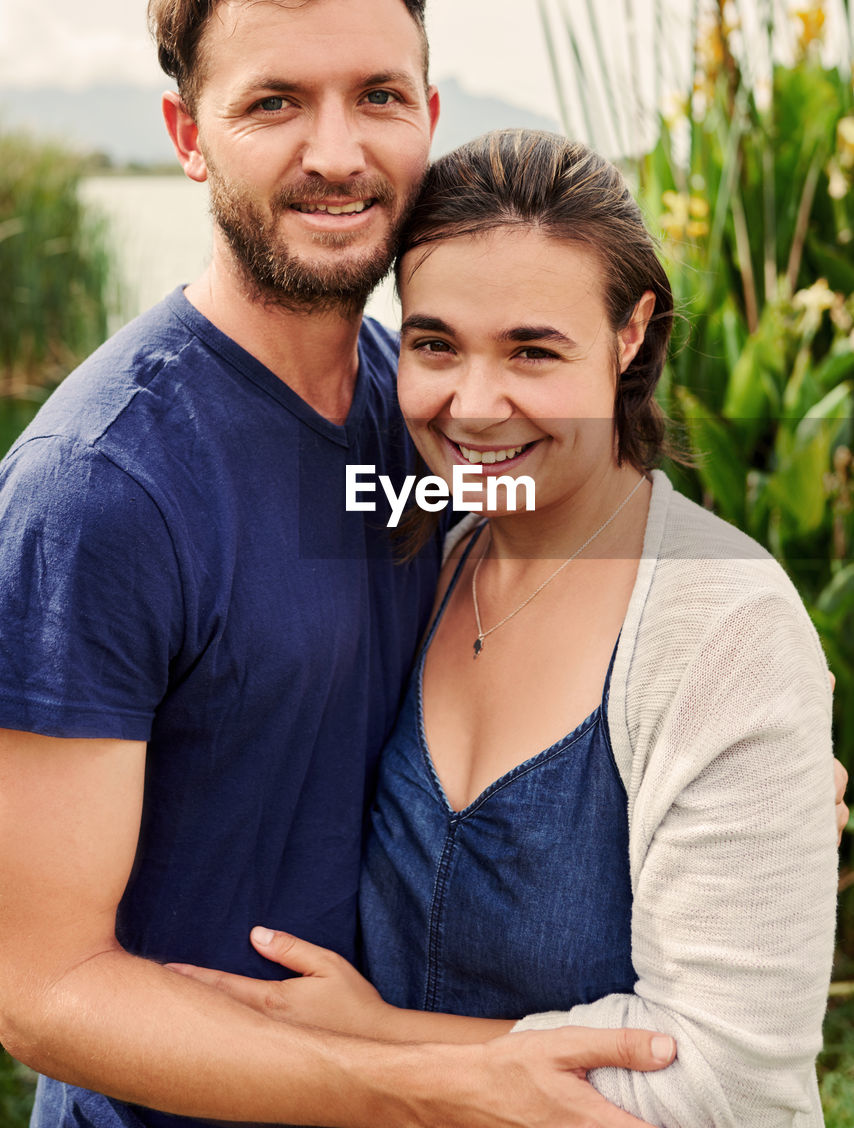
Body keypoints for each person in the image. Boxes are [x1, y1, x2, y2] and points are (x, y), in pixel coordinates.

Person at [0, 0, 685, 1128]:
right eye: (274, 102)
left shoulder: (421, 402)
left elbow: (534, 642)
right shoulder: (101, 490)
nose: (336, 150)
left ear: (428, 115)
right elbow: (42, 986)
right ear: (186, 136)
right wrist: (423, 1083)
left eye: (377, 94)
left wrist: (721, 760)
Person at [177, 131, 840, 1128]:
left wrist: (374, 1035)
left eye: (533, 349)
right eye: (436, 343)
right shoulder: (424, 554)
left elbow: (723, 1084)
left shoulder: (724, 624)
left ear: (629, 334)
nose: (474, 405)